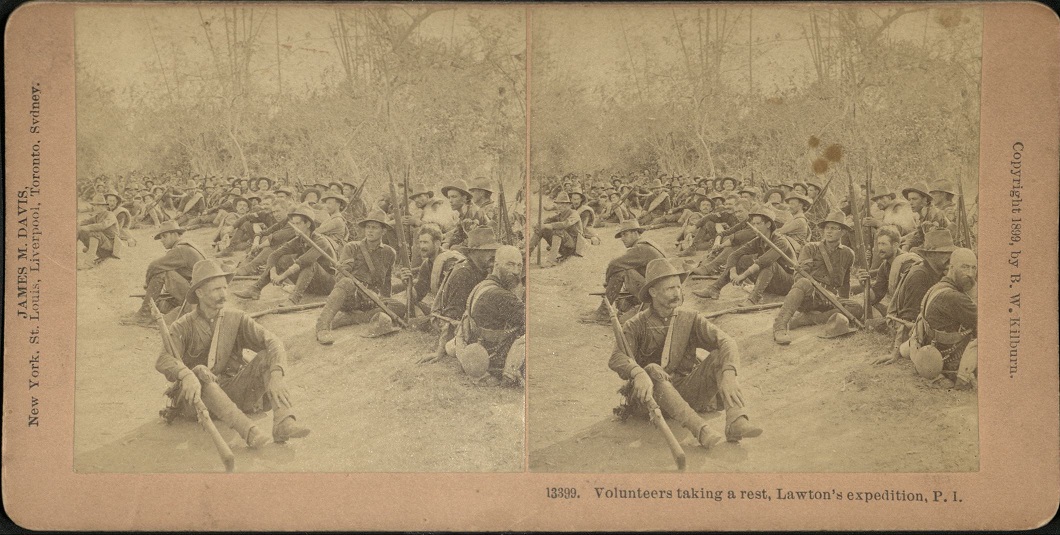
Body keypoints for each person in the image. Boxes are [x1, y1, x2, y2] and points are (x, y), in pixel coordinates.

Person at [156, 259, 310, 448]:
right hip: (195, 402)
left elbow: (273, 341)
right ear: (200, 293)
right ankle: (249, 432)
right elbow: (163, 359)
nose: (223, 294)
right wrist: (186, 374)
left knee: (268, 356)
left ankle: (283, 421)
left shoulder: (235, 318)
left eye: (224, 288)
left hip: (232, 392)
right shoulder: (183, 325)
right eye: (216, 289)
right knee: (200, 371)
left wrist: (277, 374)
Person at [610, 258, 763, 448]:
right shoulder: (636, 324)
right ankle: (701, 430)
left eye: (678, 287)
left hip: (684, 392)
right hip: (648, 400)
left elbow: (726, 341)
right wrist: (638, 372)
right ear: (653, 292)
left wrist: (730, 373)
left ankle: (736, 420)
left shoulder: (689, 318)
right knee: (652, 369)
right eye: (670, 288)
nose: (677, 293)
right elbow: (616, 358)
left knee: (718, 356)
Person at [772, 211, 865, 345]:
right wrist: (823, 292)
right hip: (810, 296)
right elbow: (799, 276)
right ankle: (780, 327)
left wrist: (842, 308)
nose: (829, 231)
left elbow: (845, 282)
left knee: (856, 308)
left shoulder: (848, 253)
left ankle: (806, 320)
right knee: (804, 282)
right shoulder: (811, 248)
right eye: (827, 228)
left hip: (830, 299)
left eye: (834, 228)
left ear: (843, 232)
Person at [313, 209, 401, 345]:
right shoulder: (352, 247)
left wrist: (384, 301)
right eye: (368, 227)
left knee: (399, 307)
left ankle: (352, 318)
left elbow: (387, 282)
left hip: (372, 300)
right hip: (351, 297)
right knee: (347, 282)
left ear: (383, 231)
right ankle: (322, 327)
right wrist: (360, 289)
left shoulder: (390, 253)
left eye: (375, 228)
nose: (370, 231)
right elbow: (340, 278)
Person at [874, 229, 957, 364]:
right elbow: (905, 319)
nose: (948, 258)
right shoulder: (920, 276)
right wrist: (896, 351)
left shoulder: (939, 270)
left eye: (950, 254)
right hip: (909, 325)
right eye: (943, 254)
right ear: (931, 255)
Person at [449, 245, 525, 386]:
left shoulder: (482, 285)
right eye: (510, 264)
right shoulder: (501, 296)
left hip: (480, 349)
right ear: (496, 265)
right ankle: (510, 376)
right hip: (494, 359)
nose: (516, 271)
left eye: (519, 266)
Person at [423, 227, 502, 361]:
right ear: (472, 253)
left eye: (494, 250)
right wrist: (440, 351)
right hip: (451, 321)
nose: (493, 255)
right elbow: (451, 316)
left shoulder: (483, 268)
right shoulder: (464, 274)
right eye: (487, 251)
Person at [233, 205, 339, 305]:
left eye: (298, 224)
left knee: (310, 264)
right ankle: (255, 289)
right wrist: (273, 273)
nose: (295, 228)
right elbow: (274, 255)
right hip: (312, 284)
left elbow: (303, 262)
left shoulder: (320, 241)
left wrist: (282, 277)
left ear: (308, 224)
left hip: (327, 285)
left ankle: (294, 299)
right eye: (294, 224)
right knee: (282, 259)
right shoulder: (299, 240)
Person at [693, 206, 795, 306]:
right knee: (743, 259)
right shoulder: (758, 240)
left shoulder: (780, 241)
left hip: (787, 285)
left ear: (768, 224)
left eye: (758, 224)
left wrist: (742, 276)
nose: (755, 227)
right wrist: (733, 273)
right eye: (753, 224)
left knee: (770, 264)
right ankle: (714, 289)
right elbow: (734, 255)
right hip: (770, 283)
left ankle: (754, 299)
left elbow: (764, 261)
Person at [905, 248, 977, 389]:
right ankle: (963, 379)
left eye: (974, 268)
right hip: (951, 364)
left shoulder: (937, 288)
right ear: (951, 268)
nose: (970, 274)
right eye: (964, 267)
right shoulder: (954, 298)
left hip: (935, 354)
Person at [121, 221, 207, 328]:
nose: (162, 240)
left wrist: (148, 285)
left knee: (162, 272)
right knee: (160, 303)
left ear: (174, 234)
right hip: (201, 297)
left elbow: (154, 266)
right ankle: (145, 312)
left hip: (197, 300)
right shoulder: (187, 245)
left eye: (164, 236)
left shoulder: (180, 249)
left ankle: (144, 315)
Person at [580, 219, 666, 324]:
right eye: (621, 235)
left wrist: (608, 283)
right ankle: (608, 310)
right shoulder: (647, 244)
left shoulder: (640, 248)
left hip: (656, 297)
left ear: (635, 233)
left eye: (625, 234)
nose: (622, 239)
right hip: (660, 294)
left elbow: (614, 264)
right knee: (622, 306)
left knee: (621, 271)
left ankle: (603, 313)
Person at [529, 191, 581, 267]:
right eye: (559, 204)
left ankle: (551, 261)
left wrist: (547, 225)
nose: (561, 206)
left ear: (569, 205)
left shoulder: (574, 214)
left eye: (564, 204)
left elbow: (564, 224)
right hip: (564, 247)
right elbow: (547, 221)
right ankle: (527, 253)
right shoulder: (560, 215)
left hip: (574, 247)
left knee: (558, 229)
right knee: (542, 228)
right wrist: (539, 225)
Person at [441, 179, 491, 249]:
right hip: (477, 245)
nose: (450, 201)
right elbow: (458, 232)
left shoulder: (472, 212)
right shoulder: (463, 212)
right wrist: (446, 242)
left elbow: (473, 240)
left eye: (454, 197)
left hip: (484, 248)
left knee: (453, 248)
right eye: (449, 197)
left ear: (465, 198)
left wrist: (451, 246)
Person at [77, 194, 120, 270]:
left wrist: (87, 227)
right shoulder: (97, 216)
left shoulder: (110, 215)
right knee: (79, 230)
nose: (94, 207)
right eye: (94, 205)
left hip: (111, 246)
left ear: (103, 206)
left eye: (96, 205)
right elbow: (84, 222)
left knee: (95, 233)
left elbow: (103, 225)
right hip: (102, 247)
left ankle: (89, 262)